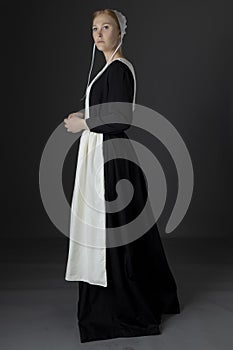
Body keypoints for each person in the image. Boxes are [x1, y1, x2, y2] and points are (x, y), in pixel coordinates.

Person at [63, 9, 181, 343]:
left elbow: (122, 118)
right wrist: (85, 113)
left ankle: (121, 308)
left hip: (111, 160)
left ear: (120, 32)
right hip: (107, 155)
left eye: (106, 27)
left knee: (113, 232)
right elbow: (109, 108)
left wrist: (84, 124)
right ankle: (147, 294)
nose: (98, 34)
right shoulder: (108, 69)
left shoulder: (118, 68)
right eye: (94, 28)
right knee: (120, 231)